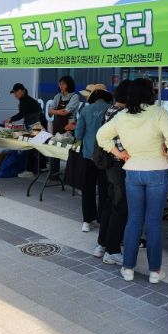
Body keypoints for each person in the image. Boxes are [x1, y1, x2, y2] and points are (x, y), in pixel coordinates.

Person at [97, 78, 168, 284]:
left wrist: (119, 153)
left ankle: (128, 268)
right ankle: (155, 271)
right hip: (157, 170)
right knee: (153, 222)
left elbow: (101, 136)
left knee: (133, 220)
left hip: (133, 170)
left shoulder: (122, 116)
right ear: (150, 94)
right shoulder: (159, 112)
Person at [94, 80, 131, 265]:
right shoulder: (123, 114)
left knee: (110, 203)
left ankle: (102, 244)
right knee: (120, 206)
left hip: (109, 164)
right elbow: (121, 143)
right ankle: (112, 250)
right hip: (118, 164)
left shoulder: (110, 110)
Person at [75, 84, 112, 232]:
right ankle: (102, 220)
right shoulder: (111, 110)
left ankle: (87, 221)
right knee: (104, 190)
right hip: (106, 156)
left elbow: (78, 135)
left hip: (88, 155)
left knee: (88, 189)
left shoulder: (85, 110)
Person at [5, 83, 47, 178]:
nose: (15, 94)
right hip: (37, 124)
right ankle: (42, 166)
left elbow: (21, 114)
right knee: (38, 146)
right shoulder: (26, 99)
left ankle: (30, 170)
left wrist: (10, 119)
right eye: (14, 92)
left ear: (23, 91)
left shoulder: (25, 100)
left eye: (16, 92)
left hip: (36, 124)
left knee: (31, 146)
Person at [48, 75, 79, 179]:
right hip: (57, 127)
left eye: (63, 84)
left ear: (68, 84)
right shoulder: (57, 96)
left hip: (69, 127)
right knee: (54, 151)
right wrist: (58, 111)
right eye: (60, 84)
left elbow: (66, 112)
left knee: (70, 151)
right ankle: (54, 174)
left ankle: (69, 176)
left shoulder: (74, 97)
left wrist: (55, 111)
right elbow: (50, 111)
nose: (60, 86)